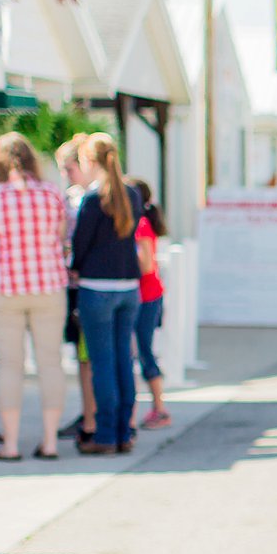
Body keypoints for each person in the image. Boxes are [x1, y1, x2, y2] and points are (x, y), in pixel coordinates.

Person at [0, 133, 70, 460]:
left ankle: (11, 445)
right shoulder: (52, 193)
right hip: (48, 285)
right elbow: (60, 236)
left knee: (9, 366)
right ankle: (51, 442)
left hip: (4, 288)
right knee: (50, 363)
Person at [71, 133, 146, 456]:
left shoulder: (92, 199)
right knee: (123, 362)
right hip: (128, 287)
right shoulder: (131, 194)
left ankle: (105, 434)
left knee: (102, 364)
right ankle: (125, 430)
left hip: (97, 288)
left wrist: (74, 266)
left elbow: (80, 244)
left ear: (90, 161)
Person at [57, 138, 98, 442]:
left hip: (89, 284)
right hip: (73, 285)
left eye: (70, 168)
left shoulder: (94, 199)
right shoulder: (70, 198)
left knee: (92, 356)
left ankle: (92, 417)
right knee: (83, 357)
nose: (67, 175)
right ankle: (88, 413)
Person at [127, 178, 171, 430]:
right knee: (140, 352)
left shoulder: (140, 224)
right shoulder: (140, 223)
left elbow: (146, 264)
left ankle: (160, 409)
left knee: (143, 352)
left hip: (146, 296)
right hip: (144, 295)